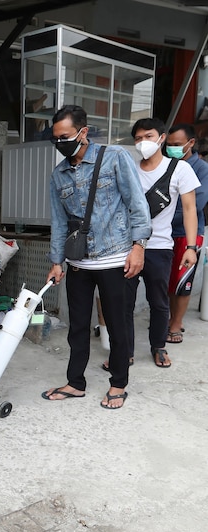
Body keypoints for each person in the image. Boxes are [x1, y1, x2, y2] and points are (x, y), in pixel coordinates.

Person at [42, 105, 151, 410]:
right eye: (56, 138)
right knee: (77, 327)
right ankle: (75, 383)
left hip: (116, 259)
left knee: (116, 325)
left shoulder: (114, 157)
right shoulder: (59, 174)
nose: (60, 143)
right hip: (79, 264)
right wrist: (56, 261)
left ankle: (118, 384)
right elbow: (59, 222)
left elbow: (136, 204)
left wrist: (139, 246)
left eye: (65, 136)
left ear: (83, 132)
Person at [114, 118, 199, 369]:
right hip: (126, 247)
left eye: (148, 137)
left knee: (159, 302)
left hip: (160, 247)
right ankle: (125, 352)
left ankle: (158, 347)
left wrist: (191, 248)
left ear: (161, 138)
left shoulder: (180, 169)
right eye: (138, 139)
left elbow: (190, 208)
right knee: (123, 304)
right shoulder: (129, 168)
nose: (143, 143)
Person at [163, 123, 208, 343]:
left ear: (190, 143)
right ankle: (168, 319)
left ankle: (176, 324)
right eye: (168, 145)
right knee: (167, 279)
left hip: (187, 233)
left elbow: (196, 204)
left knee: (182, 280)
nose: (171, 148)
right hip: (163, 233)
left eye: (177, 145)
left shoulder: (201, 168)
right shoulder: (165, 165)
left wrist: (163, 215)